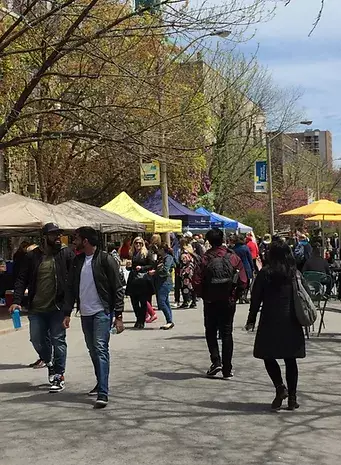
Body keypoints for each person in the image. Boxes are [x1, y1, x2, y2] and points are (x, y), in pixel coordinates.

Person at [63, 227, 124, 409]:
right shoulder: (78, 261)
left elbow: (117, 287)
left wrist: (118, 315)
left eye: (76, 238)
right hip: (85, 313)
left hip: (102, 312)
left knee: (100, 348)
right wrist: (67, 313)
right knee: (92, 350)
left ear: (86, 241)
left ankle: (103, 392)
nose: (74, 241)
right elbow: (72, 289)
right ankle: (100, 382)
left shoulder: (105, 260)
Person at [10, 223, 74, 392]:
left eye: (59, 235)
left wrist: (71, 303)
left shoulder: (66, 254)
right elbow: (21, 279)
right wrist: (16, 300)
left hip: (58, 307)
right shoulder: (32, 256)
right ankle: (50, 362)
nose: (58, 238)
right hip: (37, 308)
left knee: (58, 340)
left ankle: (59, 375)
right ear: (44, 237)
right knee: (37, 339)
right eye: (54, 235)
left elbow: (74, 279)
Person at [245, 241, 306, 411]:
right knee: (290, 359)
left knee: (267, 355)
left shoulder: (266, 273)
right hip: (291, 319)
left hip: (270, 319)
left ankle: (280, 387)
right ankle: (292, 398)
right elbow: (305, 291)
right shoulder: (294, 273)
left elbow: (256, 298)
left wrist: (251, 319)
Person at [193, 228, 247, 379]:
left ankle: (216, 361)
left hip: (211, 300)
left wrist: (203, 295)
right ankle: (227, 368)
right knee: (227, 333)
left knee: (210, 331)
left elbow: (196, 280)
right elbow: (243, 280)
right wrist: (236, 295)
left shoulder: (205, 258)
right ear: (222, 239)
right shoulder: (232, 257)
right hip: (228, 300)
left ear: (209, 241)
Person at [125, 237, 155, 329]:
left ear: (143, 244)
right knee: (134, 302)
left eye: (140, 243)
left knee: (143, 302)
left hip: (143, 280)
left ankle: (141, 321)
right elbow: (131, 267)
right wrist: (128, 267)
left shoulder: (147, 253)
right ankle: (138, 319)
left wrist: (142, 268)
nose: (138, 245)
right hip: (133, 279)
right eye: (136, 243)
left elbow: (152, 265)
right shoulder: (132, 253)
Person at [151, 243, 175, 330]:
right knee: (166, 301)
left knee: (161, 302)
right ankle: (169, 320)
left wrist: (155, 272)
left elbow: (165, 270)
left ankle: (169, 321)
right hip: (159, 282)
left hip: (165, 282)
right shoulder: (161, 258)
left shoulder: (168, 258)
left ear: (162, 249)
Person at [230, 235, 254, 304]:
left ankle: (240, 297)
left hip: (237, 268)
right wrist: (252, 267)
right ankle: (245, 296)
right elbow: (250, 258)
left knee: (239, 283)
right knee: (247, 283)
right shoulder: (245, 248)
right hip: (246, 267)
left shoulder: (233, 249)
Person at [179, 238, 196, 308]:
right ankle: (193, 301)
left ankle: (186, 301)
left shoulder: (184, 252)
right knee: (191, 286)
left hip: (185, 271)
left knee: (185, 286)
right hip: (191, 270)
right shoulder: (190, 250)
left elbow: (184, 262)